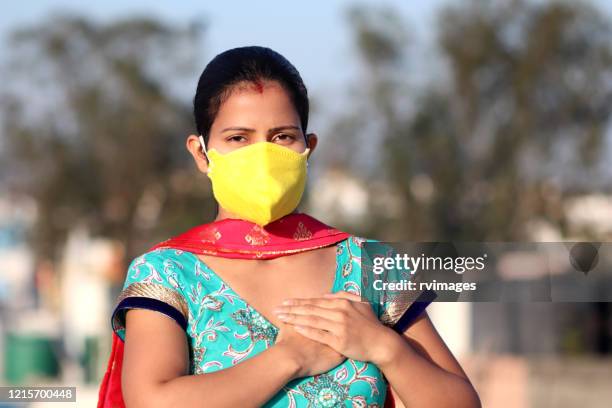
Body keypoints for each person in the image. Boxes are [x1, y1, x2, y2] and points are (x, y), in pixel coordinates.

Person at [97, 46, 480, 408]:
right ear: (201, 153)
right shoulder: (168, 273)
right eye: (238, 138)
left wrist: (383, 347)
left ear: (308, 147)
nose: (262, 155)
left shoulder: (366, 264)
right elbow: (154, 400)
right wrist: (290, 357)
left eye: (282, 137)